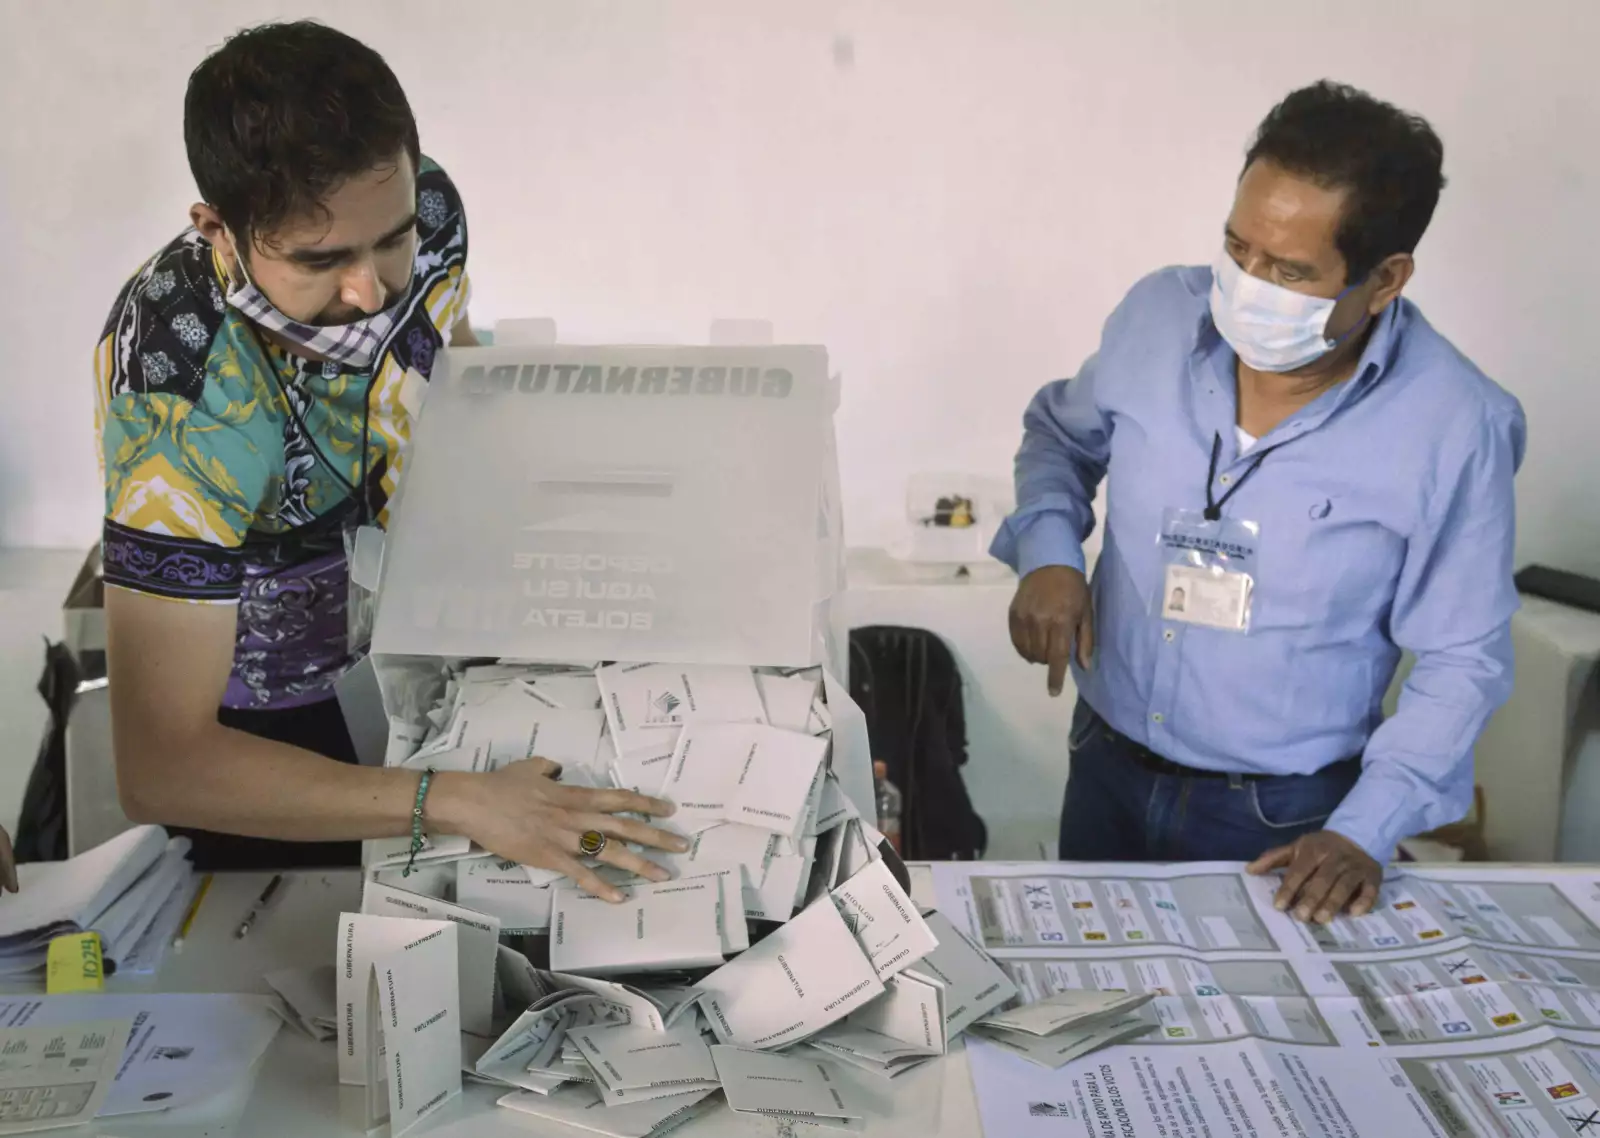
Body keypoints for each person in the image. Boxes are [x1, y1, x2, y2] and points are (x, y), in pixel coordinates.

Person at [96, 20, 686, 895]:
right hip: (267, 739)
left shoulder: (427, 210)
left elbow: (456, 373)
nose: (369, 290)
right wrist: (454, 802)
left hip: (423, 665)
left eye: (390, 241)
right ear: (220, 230)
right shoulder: (177, 393)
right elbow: (164, 764)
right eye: (318, 258)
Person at [995, 81, 1524, 924]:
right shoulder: (1157, 316)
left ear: (1385, 279)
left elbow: (1463, 659)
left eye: (1288, 271)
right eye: (1238, 248)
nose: (1246, 285)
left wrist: (1366, 829)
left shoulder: (1456, 426)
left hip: (1284, 815)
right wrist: (1050, 553)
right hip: (1105, 763)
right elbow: (1059, 437)